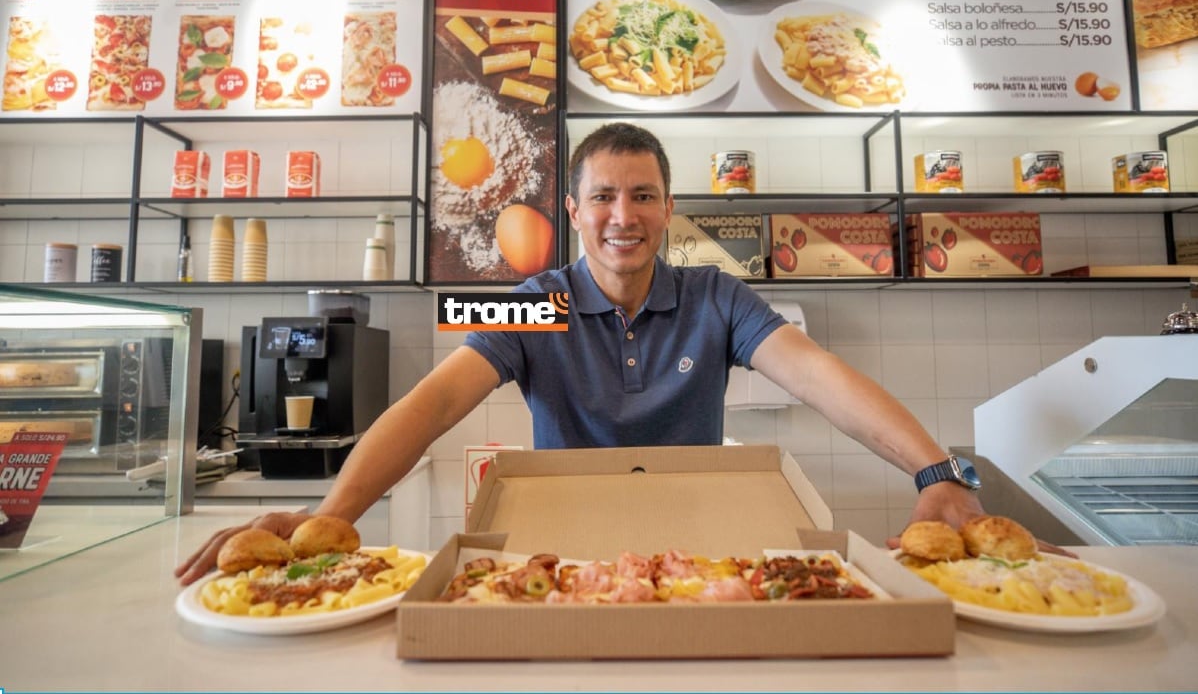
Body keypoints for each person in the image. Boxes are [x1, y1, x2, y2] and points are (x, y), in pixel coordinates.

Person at [177, 121, 991, 585]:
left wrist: (936, 474)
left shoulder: (717, 297)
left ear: (669, 208)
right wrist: (328, 521)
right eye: (603, 196)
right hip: (560, 558)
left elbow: (824, 381)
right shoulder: (540, 303)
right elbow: (429, 406)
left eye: (642, 196)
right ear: (574, 210)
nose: (622, 215)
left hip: (699, 554)